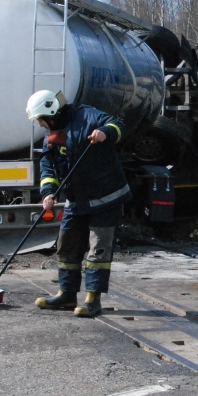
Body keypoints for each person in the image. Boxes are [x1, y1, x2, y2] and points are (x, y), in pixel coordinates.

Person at [28, 90, 132, 318]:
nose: (41, 125)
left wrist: (105, 132)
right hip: (76, 201)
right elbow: (48, 168)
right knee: (67, 246)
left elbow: (119, 125)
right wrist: (48, 192)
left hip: (106, 198)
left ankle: (92, 299)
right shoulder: (51, 137)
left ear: (52, 114)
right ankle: (67, 295)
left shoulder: (88, 116)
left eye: (41, 120)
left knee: (98, 250)